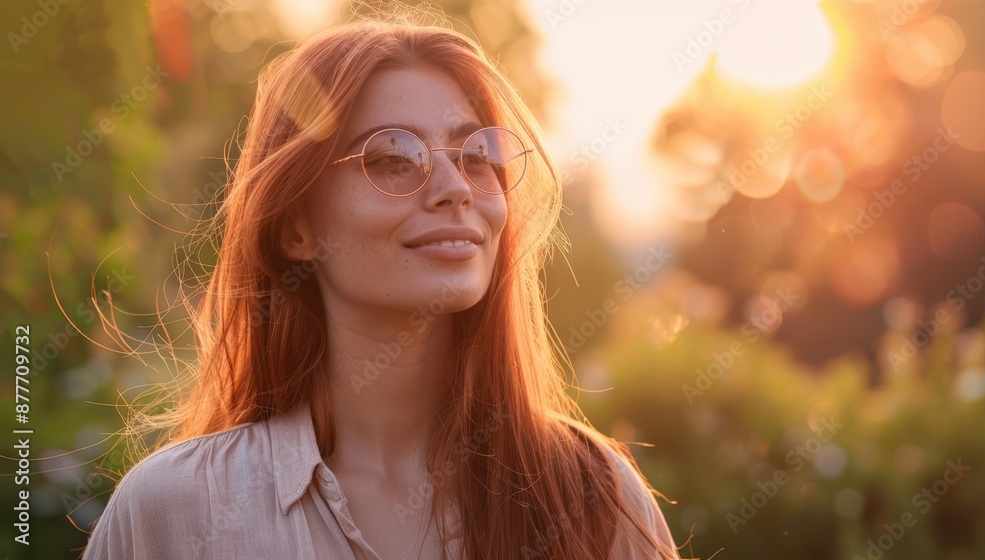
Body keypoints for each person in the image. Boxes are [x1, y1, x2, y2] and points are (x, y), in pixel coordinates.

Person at [81, 12, 679, 560]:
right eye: (393, 155)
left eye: (477, 154)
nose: (456, 186)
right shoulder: (172, 513)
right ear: (296, 228)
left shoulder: (594, 496)